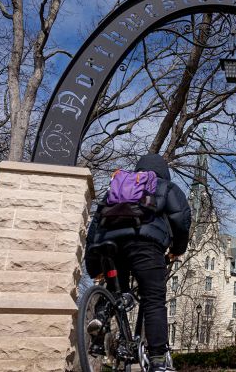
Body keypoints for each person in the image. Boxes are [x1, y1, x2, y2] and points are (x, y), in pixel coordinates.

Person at [85, 154, 191, 371]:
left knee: (116, 293)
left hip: (110, 245)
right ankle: (158, 359)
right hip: (144, 245)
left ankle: (101, 320)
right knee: (153, 299)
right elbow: (181, 219)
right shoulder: (165, 187)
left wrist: (94, 266)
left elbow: (94, 227)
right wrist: (177, 250)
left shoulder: (117, 189)